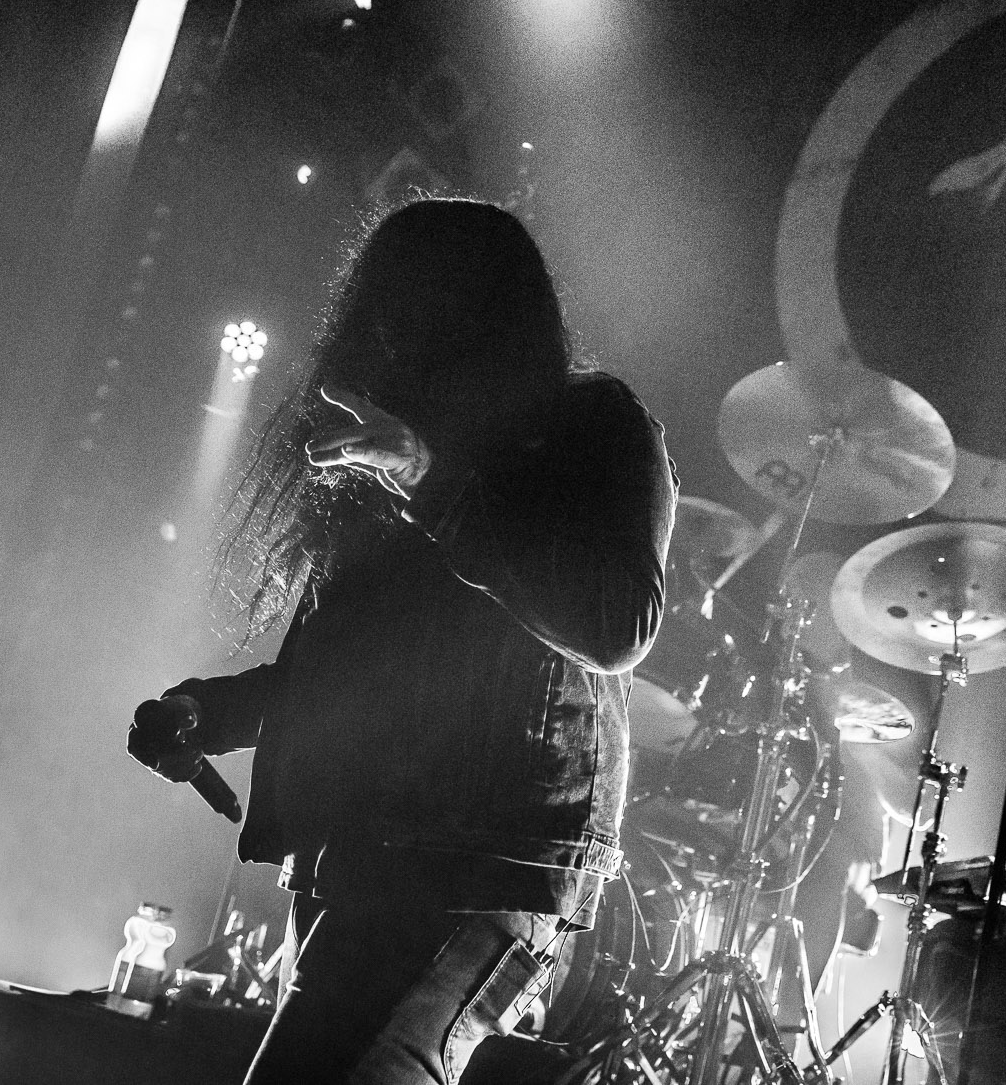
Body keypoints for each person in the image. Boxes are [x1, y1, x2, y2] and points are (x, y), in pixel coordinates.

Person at [126, 198, 678, 1085]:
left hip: (487, 860)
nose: (385, 331)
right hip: (352, 857)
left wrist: (430, 476)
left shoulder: (589, 423)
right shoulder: (382, 454)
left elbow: (617, 626)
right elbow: (357, 677)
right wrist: (210, 711)